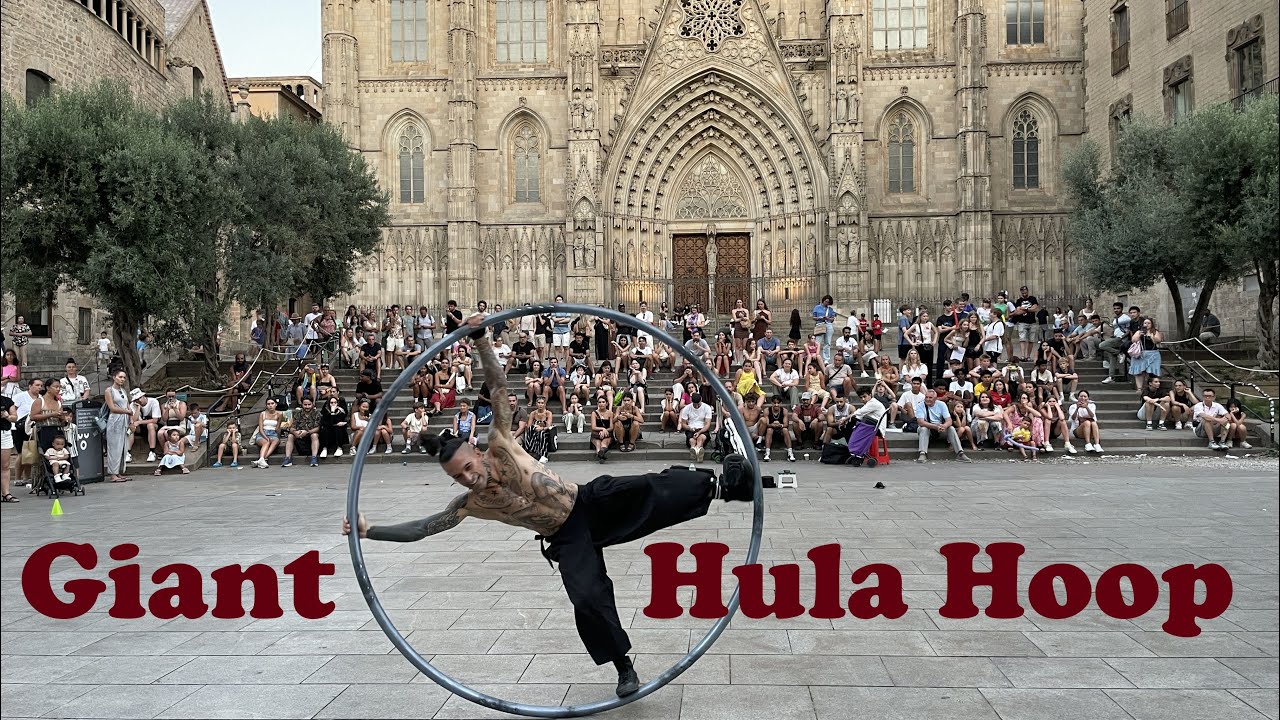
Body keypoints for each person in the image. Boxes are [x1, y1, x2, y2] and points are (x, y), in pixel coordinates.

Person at [343, 318, 753, 700]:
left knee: (651, 489)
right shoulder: (472, 504)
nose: (467, 478)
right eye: (458, 478)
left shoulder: (501, 443)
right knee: (587, 598)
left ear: (476, 453)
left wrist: (482, 339)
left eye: (468, 468)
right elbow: (424, 528)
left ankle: (724, 485)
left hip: (590, 500)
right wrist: (369, 530)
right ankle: (623, 667)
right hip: (565, 536)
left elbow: (500, 387)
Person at [911, 390, 972, 463]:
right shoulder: (920, 405)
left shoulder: (942, 404)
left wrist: (944, 426)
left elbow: (949, 420)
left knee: (951, 428)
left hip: (940, 428)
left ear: (935, 399)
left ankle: (960, 453)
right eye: (926, 397)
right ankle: (922, 453)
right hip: (928, 428)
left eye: (930, 397)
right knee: (923, 429)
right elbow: (921, 422)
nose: (927, 399)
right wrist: (935, 427)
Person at [283, 396, 322, 467]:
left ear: (312, 404)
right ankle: (287, 458)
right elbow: (291, 427)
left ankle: (314, 458)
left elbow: (318, 428)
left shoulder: (317, 414)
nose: (307, 407)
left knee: (314, 435)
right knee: (290, 436)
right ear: (302, 404)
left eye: (309, 404)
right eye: (305, 405)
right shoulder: (298, 414)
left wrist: (307, 432)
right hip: (299, 436)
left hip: (311, 436)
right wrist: (295, 432)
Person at [679, 392, 714, 463]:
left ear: (701, 400)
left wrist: (699, 432)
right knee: (692, 440)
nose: (697, 406)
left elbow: (707, 424)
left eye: (698, 404)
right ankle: (697, 451)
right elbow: (683, 424)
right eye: (695, 404)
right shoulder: (687, 408)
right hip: (691, 428)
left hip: (702, 428)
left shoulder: (707, 407)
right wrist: (690, 428)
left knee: (701, 438)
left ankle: (696, 450)